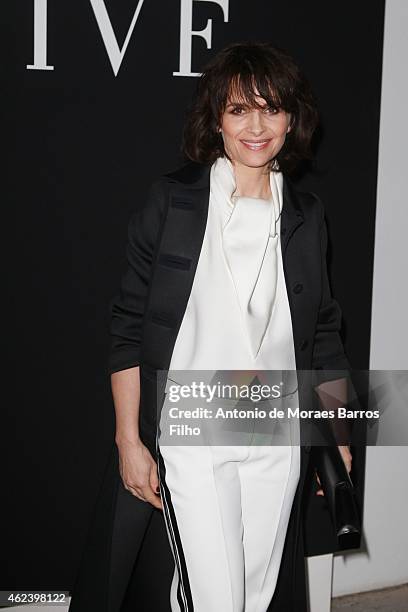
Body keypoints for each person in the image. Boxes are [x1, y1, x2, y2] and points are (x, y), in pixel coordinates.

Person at [69, 41, 352, 612]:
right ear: (215, 121)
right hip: (191, 429)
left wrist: (338, 436)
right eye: (238, 109)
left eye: (271, 108)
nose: (256, 125)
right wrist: (129, 439)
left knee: (254, 594)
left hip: (276, 429)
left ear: (292, 119)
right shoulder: (172, 203)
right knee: (215, 597)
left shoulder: (306, 215)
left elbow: (323, 333)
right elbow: (127, 326)